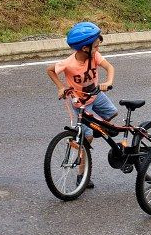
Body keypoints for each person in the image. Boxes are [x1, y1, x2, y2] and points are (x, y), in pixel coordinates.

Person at [45, 21, 115, 190]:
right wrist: (61, 87)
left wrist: (108, 81)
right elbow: (50, 70)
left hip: (96, 95)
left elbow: (109, 67)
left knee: (112, 114)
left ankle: (94, 129)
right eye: (96, 46)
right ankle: (81, 176)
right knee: (86, 139)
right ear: (85, 48)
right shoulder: (69, 63)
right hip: (80, 103)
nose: (98, 48)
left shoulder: (95, 57)